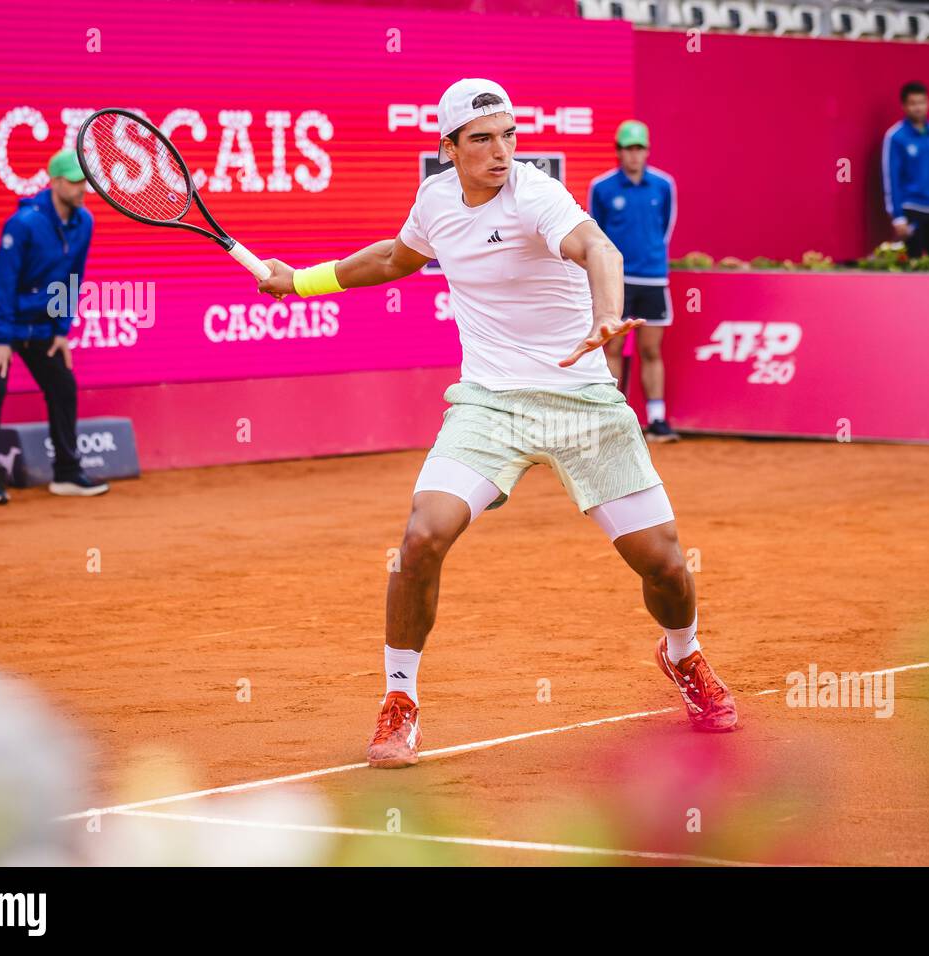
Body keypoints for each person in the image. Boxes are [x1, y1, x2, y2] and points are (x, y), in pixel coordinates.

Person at [257, 78, 738, 768]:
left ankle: (683, 656)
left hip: (582, 403)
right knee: (423, 535)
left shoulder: (536, 194)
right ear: (449, 148)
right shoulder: (436, 202)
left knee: (663, 563)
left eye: (509, 135)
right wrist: (299, 281)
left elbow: (597, 247)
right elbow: (396, 259)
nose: (501, 151)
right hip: (491, 404)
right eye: (482, 139)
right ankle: (400, 701)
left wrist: (606, 312)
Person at [0, 149, 108, 505]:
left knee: (63, 385)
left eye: (85, 183)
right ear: (56, 182)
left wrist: (61, 330)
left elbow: (73, 277)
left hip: (41, 325)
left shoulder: (85, 222)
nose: (82, 189)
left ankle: (66, 474)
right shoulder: (24, 223)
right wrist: (0, 339)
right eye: (75, 182)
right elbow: (2, 283)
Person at [588, 120, 679, 442]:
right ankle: (614, 421)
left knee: (651, 349)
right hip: (616, 280)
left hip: (654, 279)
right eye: (628, 148)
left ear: (647, 151)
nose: (634, 155)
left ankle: (657, 419)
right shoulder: (602, 187)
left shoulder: (664, 185)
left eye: (639, 148)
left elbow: (665, 227)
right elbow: (594, 236)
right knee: (612, 346)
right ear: (618, 152)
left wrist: (651, 259)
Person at [882, 81, 929, 257]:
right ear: (904, 106)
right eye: (913, 103)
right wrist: (898, 217)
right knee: (913, 269)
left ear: (928, 103)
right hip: (912, 210)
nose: (918, 108)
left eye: (922, 102)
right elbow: (891, 177)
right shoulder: (896, 136)